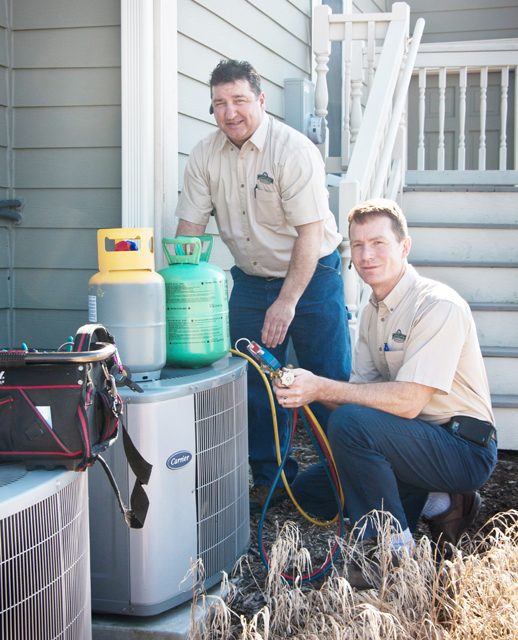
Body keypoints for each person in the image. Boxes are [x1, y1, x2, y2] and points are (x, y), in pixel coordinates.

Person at [272, 198, 497, 587]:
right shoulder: (375, 309)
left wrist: (322, 387)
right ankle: (442, 502)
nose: (366, 255)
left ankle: (392, 554)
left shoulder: (437, 305)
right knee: (311, 492)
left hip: (463, 448)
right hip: (411, 443)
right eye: (357, 245)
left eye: (378, 243)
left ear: (404, 246)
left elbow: (407, 402)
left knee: (349, 423)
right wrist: (303, 386)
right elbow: (359, 395)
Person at [174, 60, 352, 511]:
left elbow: (310, 234)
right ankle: (273, 484)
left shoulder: (292, 150)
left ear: (260, 101)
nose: (229, 112)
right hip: (251, 283)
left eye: (238, 100)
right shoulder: (204, 154)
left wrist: (288, 301)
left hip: (313, 278)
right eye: (219, 103)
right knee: (255, 387)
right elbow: (189, 232)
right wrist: (178, 294)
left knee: (328, 382)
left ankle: (348, 481)